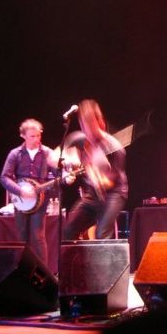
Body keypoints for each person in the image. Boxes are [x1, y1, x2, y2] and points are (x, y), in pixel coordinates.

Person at [62, 99, 128, 240]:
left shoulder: (113, 147)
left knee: (102, 233)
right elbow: (56, 155)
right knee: (68, 230)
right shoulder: (78, 140)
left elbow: (109, 183)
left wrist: (92, 171)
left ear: (101, 123)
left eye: (91, 127)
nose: (89, 132)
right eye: (85, 128)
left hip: (114, 194)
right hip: (93, 195)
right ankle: (76, 262)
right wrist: (68, 165)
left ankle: (106, 262)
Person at [0, 118, 56, 265]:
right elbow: (4, 178)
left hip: (41, 199)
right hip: (21, 201)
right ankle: (23, 269)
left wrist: (66, 178)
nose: (36, 139)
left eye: (38, 135)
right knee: (22, 236)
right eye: (32, 136)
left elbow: (59, 175)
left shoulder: (48, 153)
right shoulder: (15, 154)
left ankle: (44, 272)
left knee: (38, 237)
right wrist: (20, 191)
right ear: (23, 136)